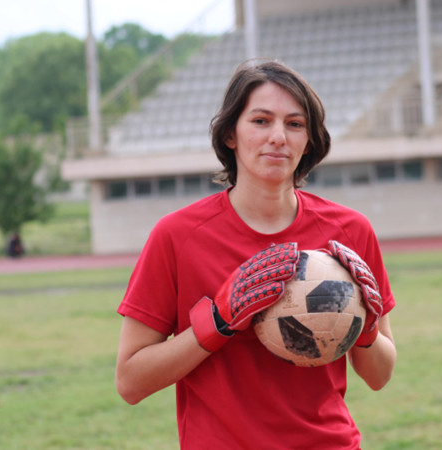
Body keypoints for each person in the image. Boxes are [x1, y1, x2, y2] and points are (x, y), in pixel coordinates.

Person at [115, 59, 397, 449]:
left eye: (295, 124)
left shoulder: (349, 232)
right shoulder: (177, 237)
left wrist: (363, 322)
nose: (278, 136)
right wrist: (217, 321)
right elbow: (130, 381)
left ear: (309, 140)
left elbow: (380, 375)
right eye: (261, 121)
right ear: (230, 133)